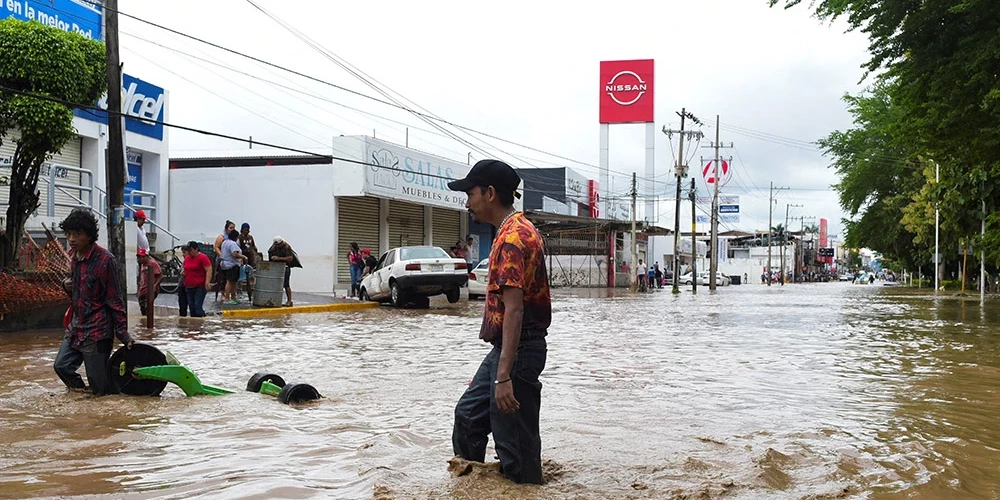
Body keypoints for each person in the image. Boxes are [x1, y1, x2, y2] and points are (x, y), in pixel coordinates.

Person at [447, 159, 550, 484]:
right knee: (468, 416)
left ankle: (524, 489)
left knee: (515, 444)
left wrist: (503, 376)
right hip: (507, 349)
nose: (467, 201)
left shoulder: (512, 239)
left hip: (517, 350)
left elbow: (515, 310)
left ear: (489, 193)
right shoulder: (510, 230)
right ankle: (472, 487)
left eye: (470, 193)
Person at [53, 208, 134, 395]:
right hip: (76, 327)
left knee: (100, 386)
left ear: (89, 236)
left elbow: (115, 301)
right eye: (69, 234)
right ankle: (82, 399)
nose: (71, 239)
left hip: (97, 331)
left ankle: (103, 416)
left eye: (77, 234)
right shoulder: (75, 258)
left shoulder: (106, 261)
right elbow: (76, 294)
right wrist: (66, 286)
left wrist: (123, 335)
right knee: (62, 366)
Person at [268, 236, 302, 307]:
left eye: (278, 245)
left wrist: (278, 258)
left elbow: (290, 258)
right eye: (276, 245)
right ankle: (274, 300)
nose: (277, 246)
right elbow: (270, 255)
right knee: (275, 284)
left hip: (285, 267)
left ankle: (289, 301)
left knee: (286, 284)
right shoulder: (273, 248)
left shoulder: (286, 247)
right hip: (276, 268)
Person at [182, 240, 213, 317]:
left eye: (190, 250)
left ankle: (202, 322)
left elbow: (209, 269)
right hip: (188, 286)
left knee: (197, 307)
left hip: (200, 286)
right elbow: (185, 267)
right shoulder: (187, 258)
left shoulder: (203, 257)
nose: (189, 252)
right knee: (192, 308)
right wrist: (183, 271)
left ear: (196, 249)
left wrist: (207, 282)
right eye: (188, 250)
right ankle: (194, 327)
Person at [220, 229, 247, 305]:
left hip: (225, 265)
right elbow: (234, 254)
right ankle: (228, 298)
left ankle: (233, 297)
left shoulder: (224, 242)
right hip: (232, 265)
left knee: (234, 282)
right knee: (230, 282)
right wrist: (243, 257)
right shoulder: (233, 244)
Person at [213, 220, 235, 299]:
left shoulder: (233, 238)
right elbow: (216, 247)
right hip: (222, 260)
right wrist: (221, 255)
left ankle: (230, 294)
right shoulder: (221, 237)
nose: (232, 229)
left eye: (233, 228)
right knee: (222, 278)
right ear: (226, 228)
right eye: (230, 228)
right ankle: (222, 293)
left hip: (231, 261)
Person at [136, 248, 162, 317]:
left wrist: (154, 286)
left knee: (148, 309)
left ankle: (149, 324)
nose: (141, 258)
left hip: (150, 290)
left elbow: (160, 276)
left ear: (147, 256)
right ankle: (144, 324)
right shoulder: (142, 265)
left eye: (143, 256)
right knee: (143, 309)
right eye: (139, 257)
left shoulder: (152, 263)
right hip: (142, 290)